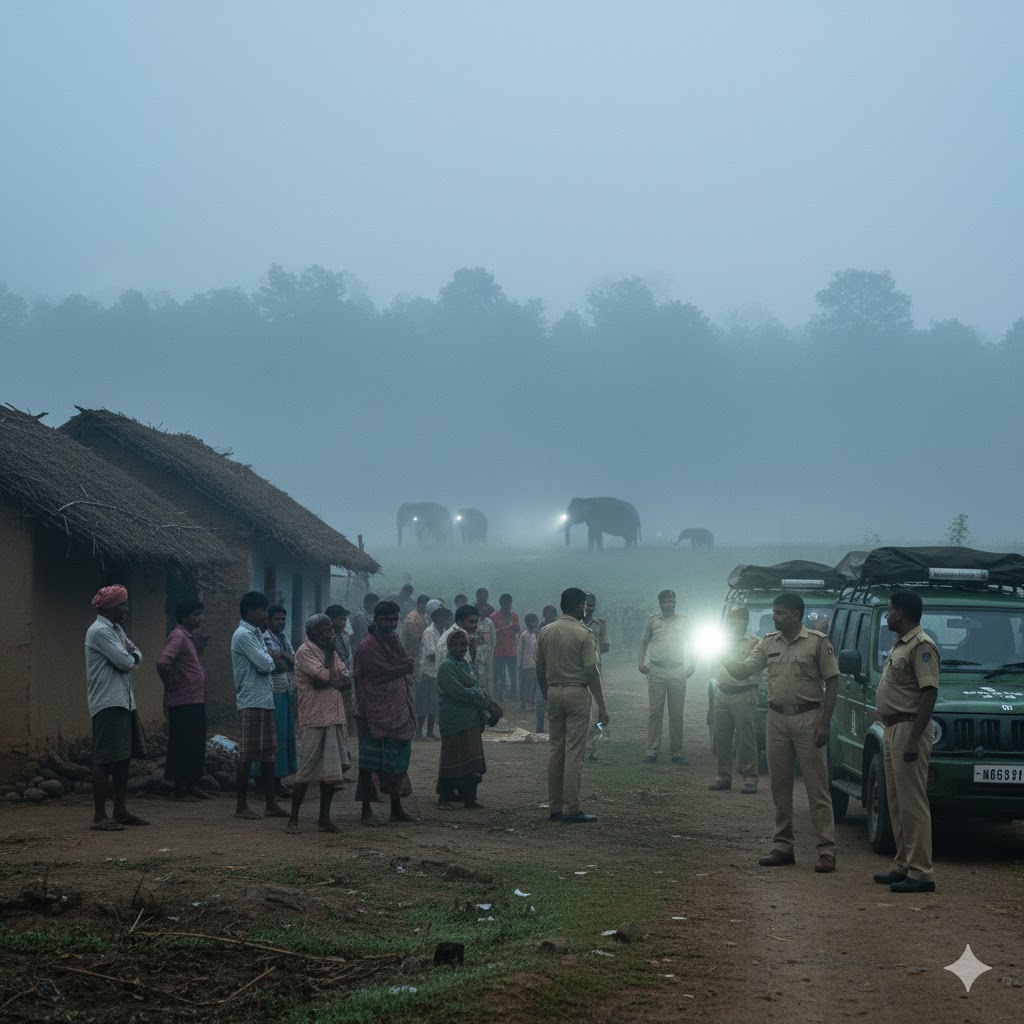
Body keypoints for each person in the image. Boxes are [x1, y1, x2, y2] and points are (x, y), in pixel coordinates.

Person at [722, 591, 839, 873]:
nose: (774, 617)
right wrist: (719, 653)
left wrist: (825, 723)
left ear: (795, 614)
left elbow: (832, 681)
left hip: (807, 718)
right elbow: (742, 671)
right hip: (776, 719)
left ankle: (826, 849)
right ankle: (783, 846)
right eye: (774, 612)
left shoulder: (817, 643)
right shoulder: (767, 644)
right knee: (780, 786)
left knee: (816, 787)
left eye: (779, 613)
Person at [872, 589, 940, 894]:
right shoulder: (900, 645)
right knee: (896, 800)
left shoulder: (922, 646)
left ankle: (922, 872)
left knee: (912, 802)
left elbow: (929, 693)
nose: (886, 615)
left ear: (900, 613)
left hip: (908, 729)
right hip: (891, 729)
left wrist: (914, 740)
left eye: (888, 610)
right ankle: (904, 864)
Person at [536, 587, 609, 823]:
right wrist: (602, 705)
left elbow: (539, 666)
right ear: (580, 606)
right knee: (574, 752)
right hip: (577, 692)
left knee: (555, 750)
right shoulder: (583, 633)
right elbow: (591, 672)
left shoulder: (546, 631)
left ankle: (555, 806)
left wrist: (548, 693)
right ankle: (571, 807)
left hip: (554, 691)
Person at [84, 585, 149, 830]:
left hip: (123, 699)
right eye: (122, 604)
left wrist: (133, 655)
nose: (126, 609)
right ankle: (100, 815)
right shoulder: (100, 631)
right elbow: (125, 661)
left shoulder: (115, 629)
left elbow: (135, 653)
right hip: (108, 700)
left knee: (122, 757)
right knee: (104, 759)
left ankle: (120, 810)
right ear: (110, 607)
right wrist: (133, 656)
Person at [352, 600, 417, 824]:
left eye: (394, 620)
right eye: (386, 620)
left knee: (397, 762)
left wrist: (403, 667)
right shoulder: (367, 646)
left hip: (398, 710)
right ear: (376, 620)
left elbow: (403, 662)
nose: (391, 624)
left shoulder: (394, 640)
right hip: (373, 712)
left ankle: (396, 808)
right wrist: (403, 667)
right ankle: (366, 811)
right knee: (369, 764)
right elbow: (380, 673)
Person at [286, 614, 351, 834]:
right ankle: (293, 819)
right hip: (314, 717)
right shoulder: (305, 651)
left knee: (330, 773)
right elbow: (325, 676)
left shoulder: (329, 650)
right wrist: (332, 680)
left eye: (331, 630)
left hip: (333, 715)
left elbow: (346, 677)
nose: (330, 634)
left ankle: (324, 818)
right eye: (325, 630)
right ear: (313, 633)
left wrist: (330, 680)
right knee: (306, 770)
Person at [231, 591, 288, 821]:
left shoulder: (255, 633)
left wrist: (269, 660)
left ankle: (270, 803)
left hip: (264, 697)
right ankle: (241, 804)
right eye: (263, 610)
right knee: (248, 753)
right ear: (250, 612)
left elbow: (266, 662)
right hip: (251, 698)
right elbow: (265, 664)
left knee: (267, 752)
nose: (266, 615)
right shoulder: (243, 635)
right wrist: (270, 659)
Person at [157, 598, 210, 801]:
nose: (201, 618)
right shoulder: (178, 636)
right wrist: (171, 685)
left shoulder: (188, 637)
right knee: (183, 744)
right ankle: (180, 788)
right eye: (196, 615)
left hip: (195, 698)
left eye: (200, 614)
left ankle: (192, 784)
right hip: (183, 700)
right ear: (183, 617)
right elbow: (163, 663)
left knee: (196, 743)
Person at [709, 607, 761, 794]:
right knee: (721, 737)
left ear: (746, 621)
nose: (734, 623)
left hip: (744, 693)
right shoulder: (721, 641)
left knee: (746, 738)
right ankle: (723, 776)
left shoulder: (756, 643)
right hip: (722, 693)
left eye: (738, 619)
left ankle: (750, 778)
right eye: (731, 619)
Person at [436, 630, 489, 810]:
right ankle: (444, 798)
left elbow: (477, 686)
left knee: (472, 757)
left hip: (470, 718)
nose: (460, 648)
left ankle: (470, 799)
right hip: (454, 718)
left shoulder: (466, 665)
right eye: (456, 645)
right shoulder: (446, 666)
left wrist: (478, 694)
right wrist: (478, 694)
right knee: (452, 756)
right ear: (449, 647)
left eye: (463, 645)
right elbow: (457, 692)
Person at [638, 590, 692, 764]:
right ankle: (652, 751)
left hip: (677, 669)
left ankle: (677, 752)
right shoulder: (653, 621)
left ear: (676, 601)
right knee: (655, 712)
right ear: (659, 602)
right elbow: (644, 641)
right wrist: (641, 663)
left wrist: (694, 663)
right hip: (657, 670)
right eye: (666, 601)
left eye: (672, 600)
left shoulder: (685, 621)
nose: (669, 604)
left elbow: (692, 642)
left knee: (676, 713)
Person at [257, 605, 297, 799]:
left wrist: (282, 656)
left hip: (283, 690)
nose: (281, 622)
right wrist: (283, 658)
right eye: (277, 619)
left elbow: (294, 661)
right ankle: (267, 784)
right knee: (272, 739)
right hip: (271, 693)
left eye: (283, 619)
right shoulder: (264, 637)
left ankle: (276, 782)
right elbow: (279, 665)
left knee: (282, 737)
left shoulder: (282, 638)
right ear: (268, 621)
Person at [416, 603, 452, 740]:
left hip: (437, 672)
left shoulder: (442, 631)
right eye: (444, 618)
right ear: (437, 618)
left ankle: (430, 732)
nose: (447, 620)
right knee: (424, 704)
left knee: (433, 704)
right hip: (428, 672)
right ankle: (419, 732)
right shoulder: (429, 632)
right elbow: (431, 655)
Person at [583, 593, 611, 761]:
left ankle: (592, 746)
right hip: (577, 672)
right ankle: (580, 746)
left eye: (591, 604)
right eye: (586, 604)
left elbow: (605, 645)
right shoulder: (575, 624)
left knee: (598, 712)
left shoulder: (599, 624)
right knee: (582, 710)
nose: (588, 607)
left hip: (596, 672)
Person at [325, 604, 354, 728]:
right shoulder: (326, 637)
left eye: (344, 619)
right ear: (330, 620)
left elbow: (350, 657)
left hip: (346, 678)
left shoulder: (345, 636)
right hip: (333, 680)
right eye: (340, 619)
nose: (343, 622)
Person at [490, 594, 521, 703]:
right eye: (504, 603)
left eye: (508, 603)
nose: (507, 605)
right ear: (501, 603)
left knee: (513, 676)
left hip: (511, 650)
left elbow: (517, 629)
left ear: (511, 603)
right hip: (499, 650)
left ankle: (513, 696)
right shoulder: (494, 616)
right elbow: (491, 632)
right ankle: (500, 696)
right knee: (500, 675)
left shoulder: (514, 616)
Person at [518, 613, 542, 729]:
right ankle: (524, 703)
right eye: (530, 622)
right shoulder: (524, 635)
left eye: (534, 622)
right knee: (525, 684)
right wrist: (520, 665)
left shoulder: (538, 635)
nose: (532, 624)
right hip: (525, 664)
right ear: (527, 623)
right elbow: (521, 650)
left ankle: (531, 704)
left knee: (533, 685)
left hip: (535, 664)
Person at [401, 594, 431, 671]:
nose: (426, 607)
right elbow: (413, 636)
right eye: (425, 604)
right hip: (413, 653)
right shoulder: (411, 617)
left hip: (423, 652)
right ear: (419, 604)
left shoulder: (427, 616)